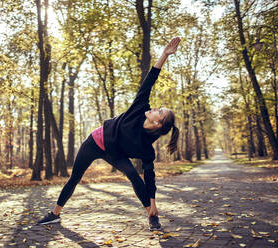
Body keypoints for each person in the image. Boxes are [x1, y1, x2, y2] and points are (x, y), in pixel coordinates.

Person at [38, 37, 181, 231]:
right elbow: (151, 78)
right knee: (75, 178)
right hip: (95, 141)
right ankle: (54, 214)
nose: (156, 108)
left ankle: (152, 216)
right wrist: (164, 54)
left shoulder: (146, 149)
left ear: (157, 123)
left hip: (115, 153)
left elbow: (150, 178)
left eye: (160, 111)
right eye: (159, 108)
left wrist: (153, 202)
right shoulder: (140, 107)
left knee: (134, 175)